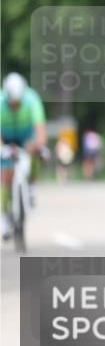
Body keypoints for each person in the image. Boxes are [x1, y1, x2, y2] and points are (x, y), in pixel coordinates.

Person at [0, 73, 47, 241]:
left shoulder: (32, 99)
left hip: (26, 136)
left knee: (36, 152)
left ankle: (31, 186)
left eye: (18, 103)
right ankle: (5, 217)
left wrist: (38, 145)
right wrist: (2, 148)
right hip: (5, 137)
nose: (15, 106)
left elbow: (40, 130)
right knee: (5, 176)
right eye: (12, 103)